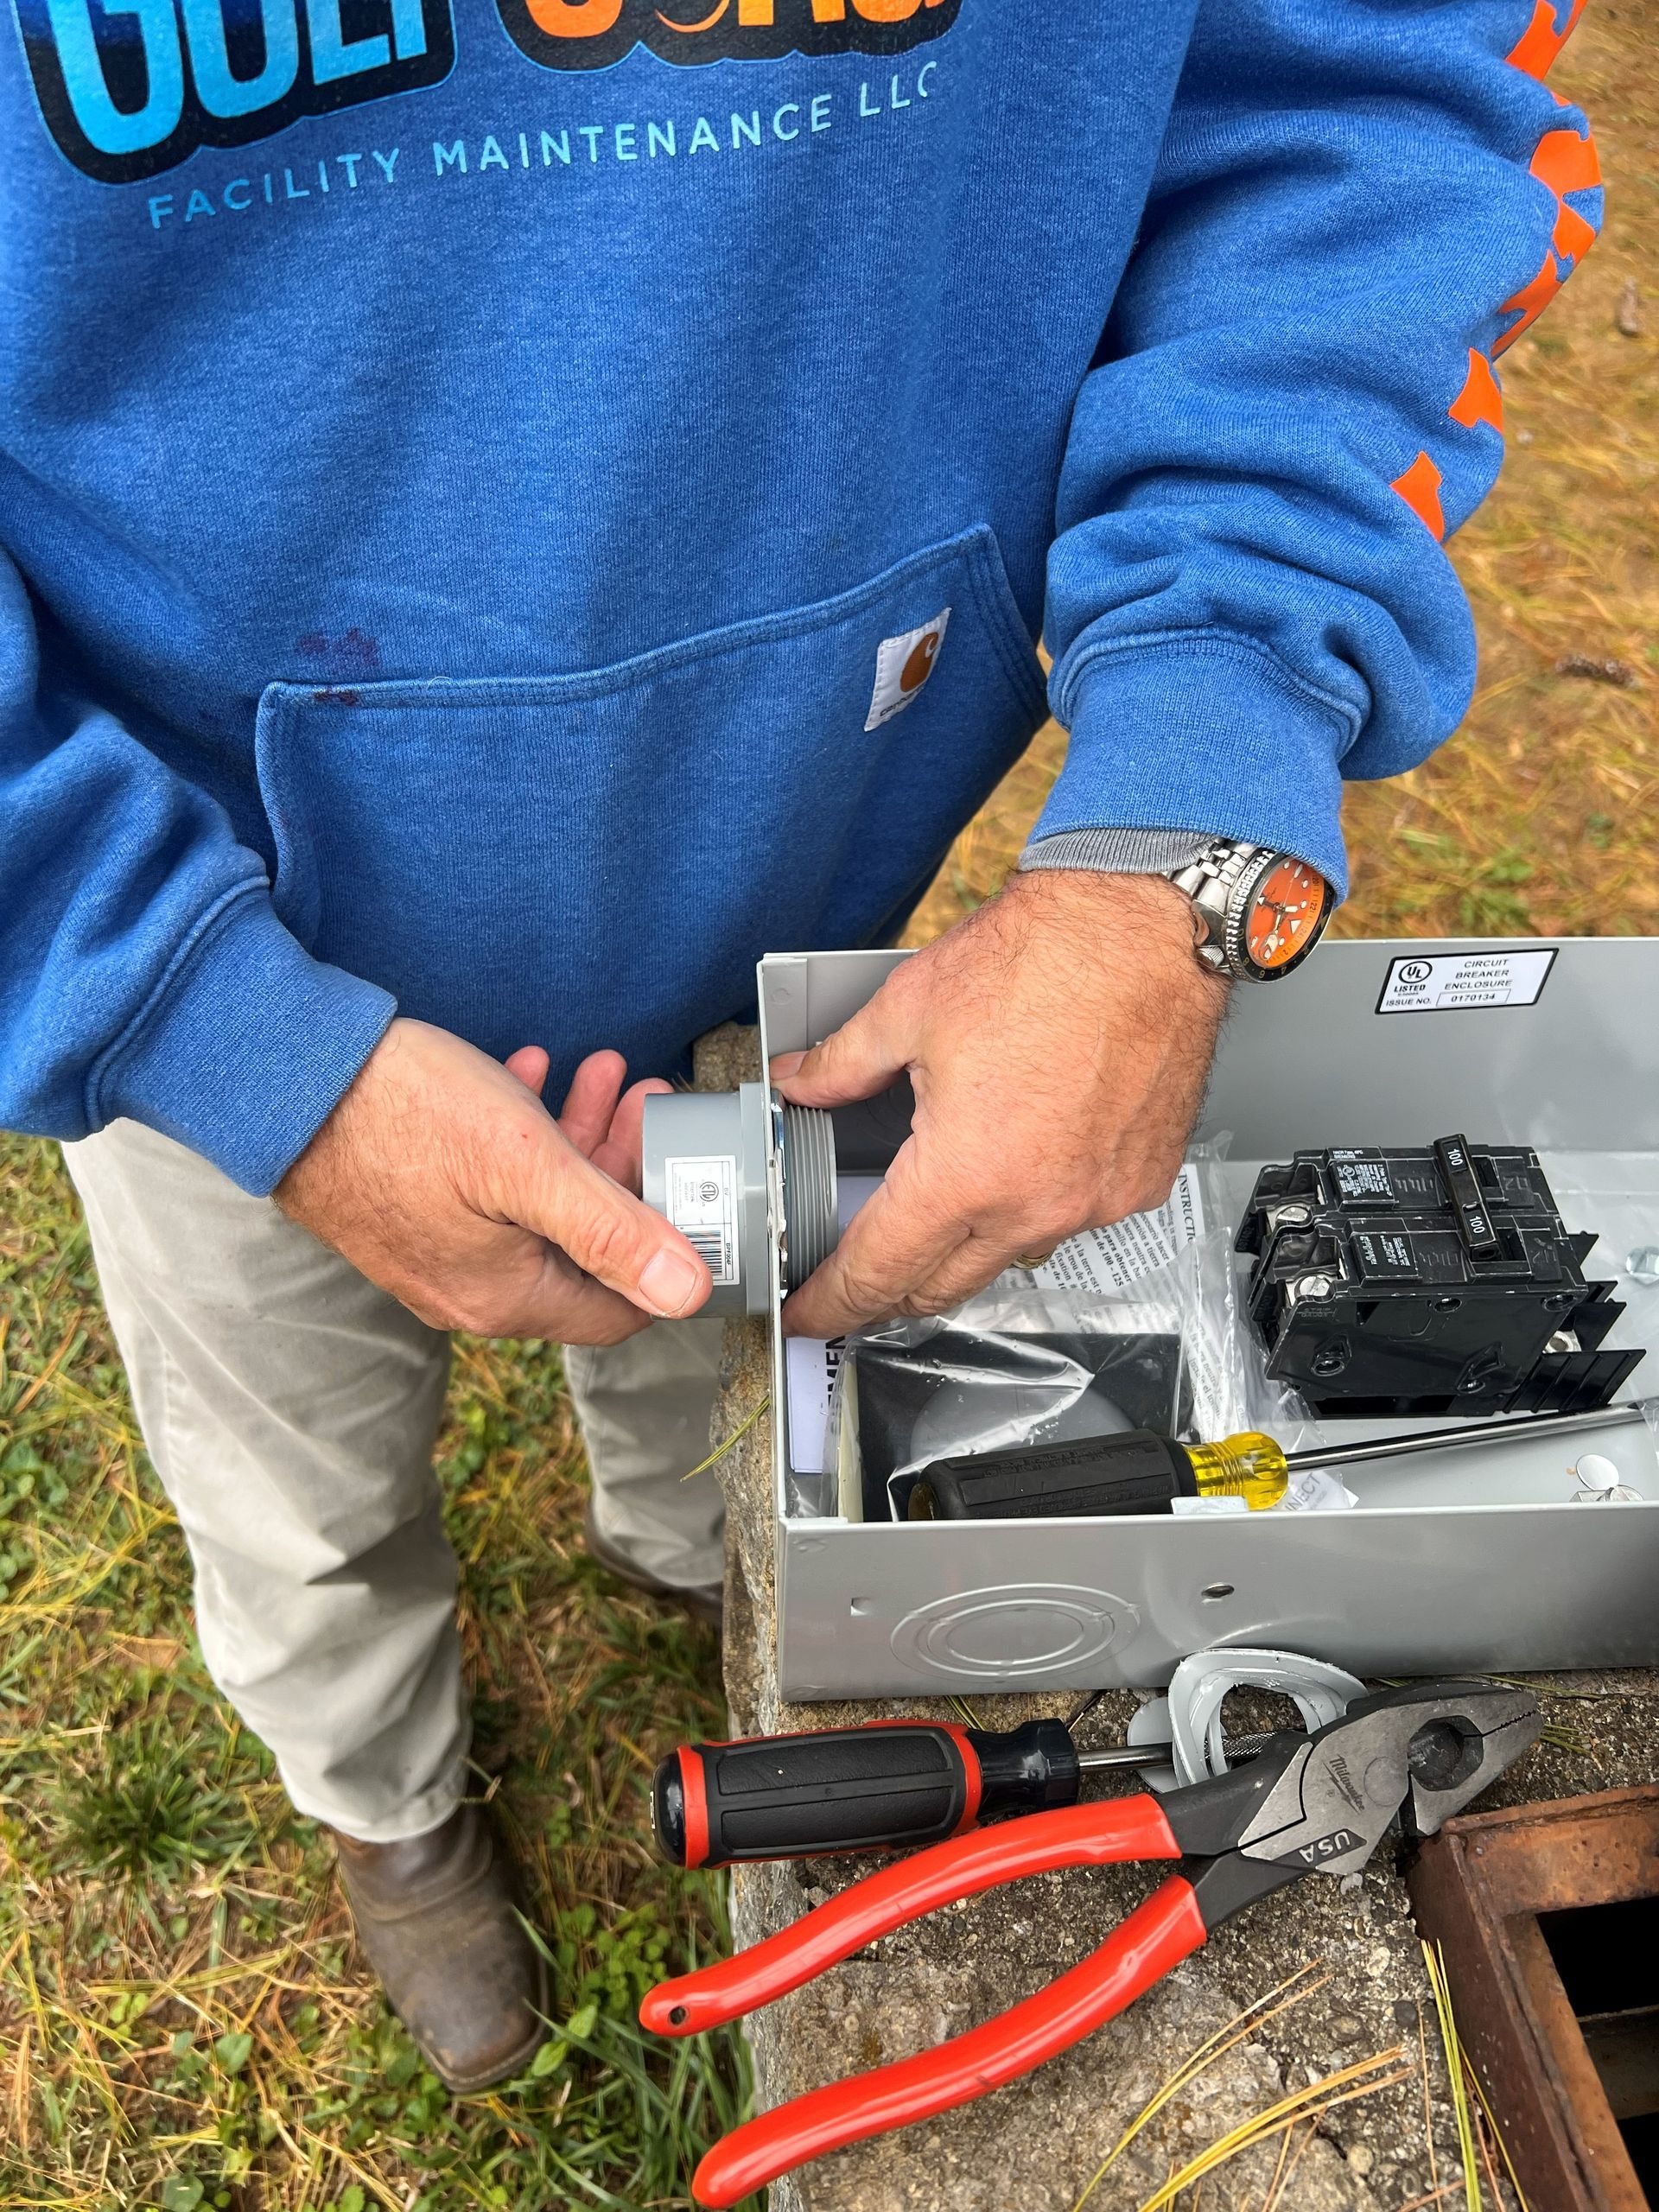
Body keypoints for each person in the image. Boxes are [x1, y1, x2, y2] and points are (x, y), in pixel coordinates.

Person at [0, 0, 1599, 2091]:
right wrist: (194, 1017)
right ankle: (381, 1791)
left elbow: (1378, 104)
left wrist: (1189, 801)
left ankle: (691, 1552)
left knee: (711, 1320)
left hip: (786, 885)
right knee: (294, 1476)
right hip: (206, 933)